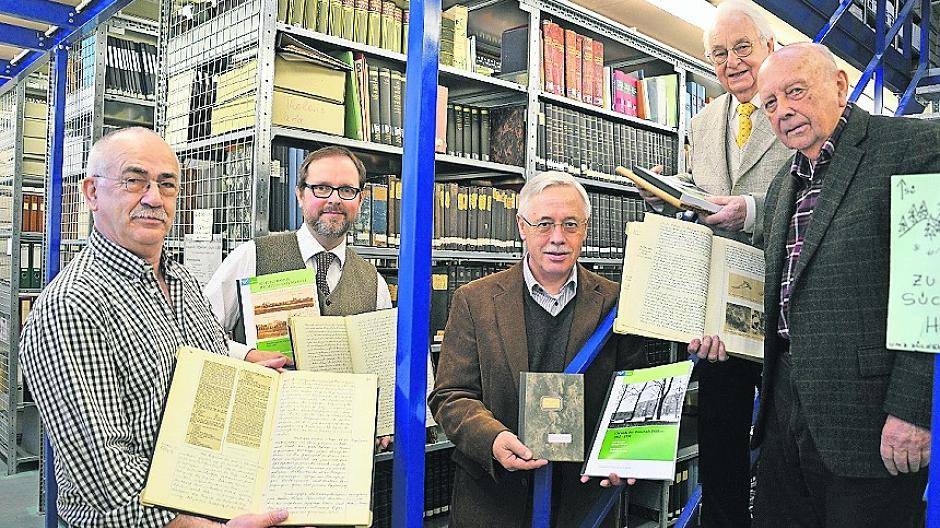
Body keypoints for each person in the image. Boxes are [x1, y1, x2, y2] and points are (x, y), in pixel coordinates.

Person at [19, 127, 288, 527]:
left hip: (217, 502)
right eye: (134, 181)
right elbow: (105, 471)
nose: (153, 198)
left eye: (167, 185)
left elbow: (207, 375)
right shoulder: (72, 305)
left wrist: (249, 379)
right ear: (91, 193)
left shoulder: (182, 283)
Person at [748, 42, 934, 526]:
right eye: (770, 103)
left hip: (869, 417)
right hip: (783, 409)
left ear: (838, 85)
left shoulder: (912, 149)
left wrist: (913, 409)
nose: (783, 110)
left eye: (795, 91)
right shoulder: (779, 187)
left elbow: (929, 286)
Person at [641, 3, 793, 525]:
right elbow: (704, 201)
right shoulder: (703, 123)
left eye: (742, 48)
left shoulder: (793, 108)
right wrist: (672, 197)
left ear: (769, 48)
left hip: (785, 305)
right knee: (722, 440)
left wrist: (749, 211)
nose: (731, 62)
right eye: (719, 53)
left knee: (785, 445)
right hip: (718, 311)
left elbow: (811, 195)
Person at [429, 171, 646, 527]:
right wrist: (493, 438)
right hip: (494, 499)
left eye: (570, 224)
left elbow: (633, 394)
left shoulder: (616, 302)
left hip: (582, 501)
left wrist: (628, 455)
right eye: (544, 224)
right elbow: (451, 395)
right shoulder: (475, 300)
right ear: (522, 226)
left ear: (586, 229)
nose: (557, 238)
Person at [204, 145, 393, 365]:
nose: (334, 199)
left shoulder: (374, 283)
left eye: (347, 190)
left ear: (360, 201)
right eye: (321, 188)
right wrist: (246, 356)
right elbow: (198, 332)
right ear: (300, 195)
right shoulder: (252, 256)